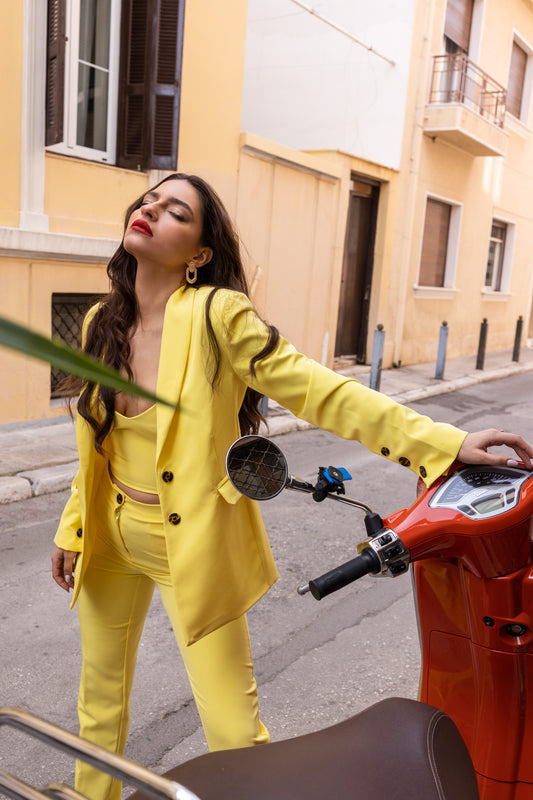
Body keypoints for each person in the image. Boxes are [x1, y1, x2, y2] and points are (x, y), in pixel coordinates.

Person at [51, 173, 533, 800]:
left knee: (232, 731)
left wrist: (438, 443)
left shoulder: (217, 314)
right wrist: (73, 527)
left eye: (176, 211)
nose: (151, 210)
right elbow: (95, 446)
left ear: (199, 254)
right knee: (98, 705)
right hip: (111, 535)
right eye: (150, 200)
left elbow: (317, 388)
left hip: (192, 544)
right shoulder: (98, 322)